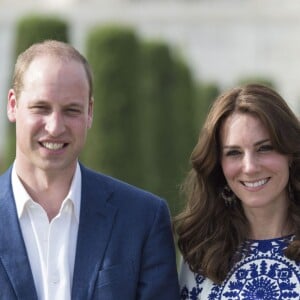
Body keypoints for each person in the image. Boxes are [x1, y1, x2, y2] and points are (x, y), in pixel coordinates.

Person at [1, 39, 180, 300]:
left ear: (90, 112)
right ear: (13, 105)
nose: (55, 126)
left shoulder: (143, 219)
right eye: (41, 108)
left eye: (71, 110)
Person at [174, 83, 300, 299]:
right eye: (234, 153)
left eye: (264, 148)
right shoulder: (201, 253)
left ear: (290, 152)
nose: (250, 167)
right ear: (218, 165)